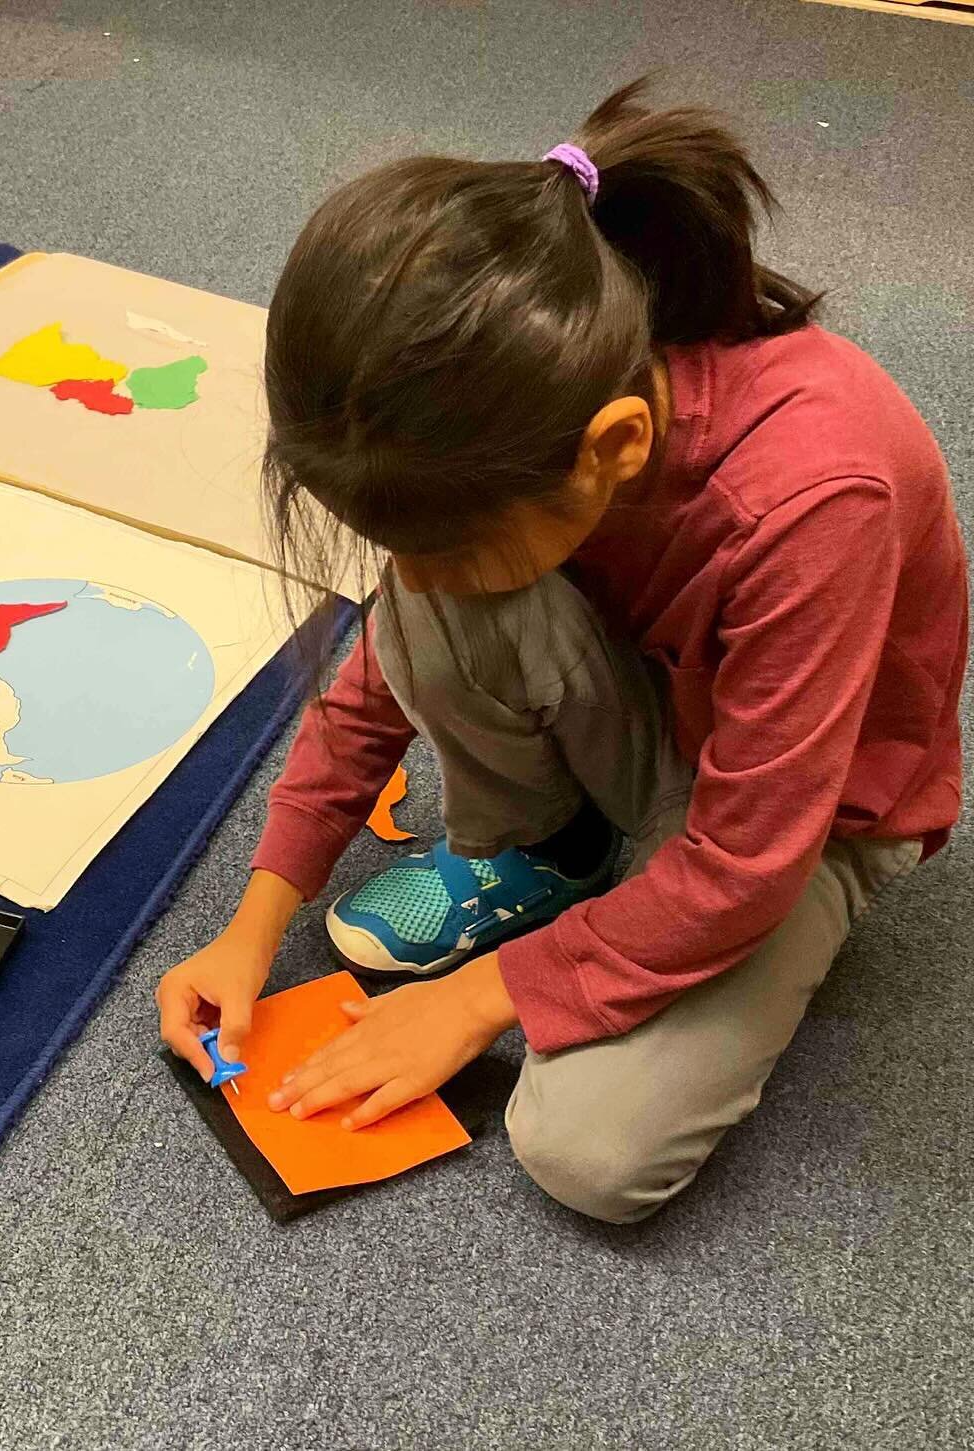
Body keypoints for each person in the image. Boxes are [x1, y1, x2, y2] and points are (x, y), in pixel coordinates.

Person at [156, 81, 967, 1223]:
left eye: (444, 544)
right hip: (667, 705)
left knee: (586, 1153)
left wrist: (482, 996)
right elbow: (373, 687)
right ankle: (566, 852)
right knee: (439, 611)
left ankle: (612, 886)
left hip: (815, 814)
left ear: (616, 448)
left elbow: (747, 861)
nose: (414, 583)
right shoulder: (531, 411)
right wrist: (253, 925)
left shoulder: (815, 497)